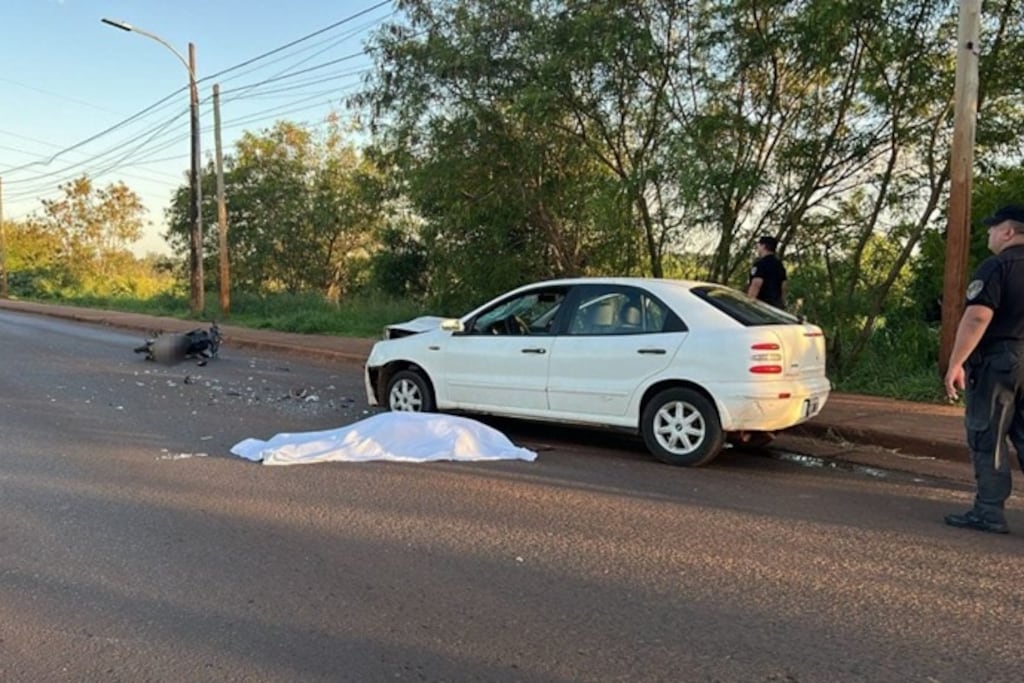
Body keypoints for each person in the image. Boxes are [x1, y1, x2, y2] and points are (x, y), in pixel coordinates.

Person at [943, 204, 1024, 534]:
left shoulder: (997, 267)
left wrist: (956, 363)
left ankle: (988, 511)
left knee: (988, 434)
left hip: (1000, 361)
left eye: (993, 228)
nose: (989, 233)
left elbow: (978, 316)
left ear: (1008, 231)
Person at [747, 235, 787, 308]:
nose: (758, 248)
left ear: (763, 246)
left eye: (759, 245)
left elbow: (756, 284)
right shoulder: (779, 265)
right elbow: (783, 285)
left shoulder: (760, 264)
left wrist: (748, 304)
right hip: (774, 306)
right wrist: (782, 302)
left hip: (760, 304)